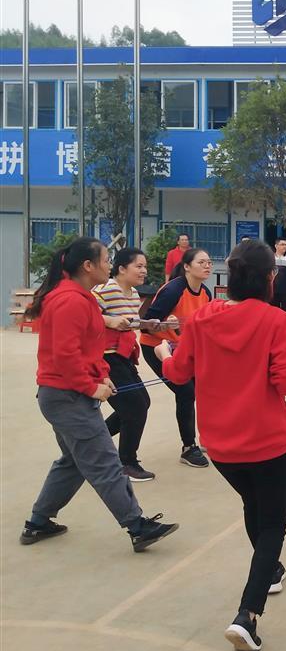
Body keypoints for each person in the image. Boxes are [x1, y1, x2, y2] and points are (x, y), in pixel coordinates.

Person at [156, 240, 286, 651]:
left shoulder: (202, 318)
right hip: (267, 442)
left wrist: (165, 352)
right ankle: (247, 615)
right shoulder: (276, 320)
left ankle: (270, 572)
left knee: (254, 505)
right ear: (269, 277)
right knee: (272, 524)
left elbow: (178, 373)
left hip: (220, 446)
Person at [19, 237, 178, 553]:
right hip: (66, 397)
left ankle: (38, 522)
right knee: (105, 462)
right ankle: (137, 526)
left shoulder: (82, 297)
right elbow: (65, 355)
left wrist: (102, 375)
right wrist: (90, 386)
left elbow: (89, 347)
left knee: (73, 462)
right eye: (106, 260)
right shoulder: (70, 300)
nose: (110, 265)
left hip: (64, 394)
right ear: (87, 266)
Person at [139, 248, 213, 468]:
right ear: (187, 266)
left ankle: (206, 439)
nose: (207, 266)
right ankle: (189, 447)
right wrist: (164, 325)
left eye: (209, 262)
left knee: (201, 389)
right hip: (157, 347)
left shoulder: (206, 293)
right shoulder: (173, 290)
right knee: (185, 391)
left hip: (184, 349)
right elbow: (145, 326)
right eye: (201, 262)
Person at [93, 247, 156, 482]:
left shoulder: (133, 294)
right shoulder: (106, 289)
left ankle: (92, 444)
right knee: (134, 408)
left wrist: (152, 324)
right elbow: (85, 315)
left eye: (145, 266)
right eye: (138, 266)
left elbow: (131, 323)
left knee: (141, 403)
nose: (144, 271)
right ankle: (127, 463)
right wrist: (109, 320)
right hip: (106, 357)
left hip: (124, 356)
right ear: (121, 268)